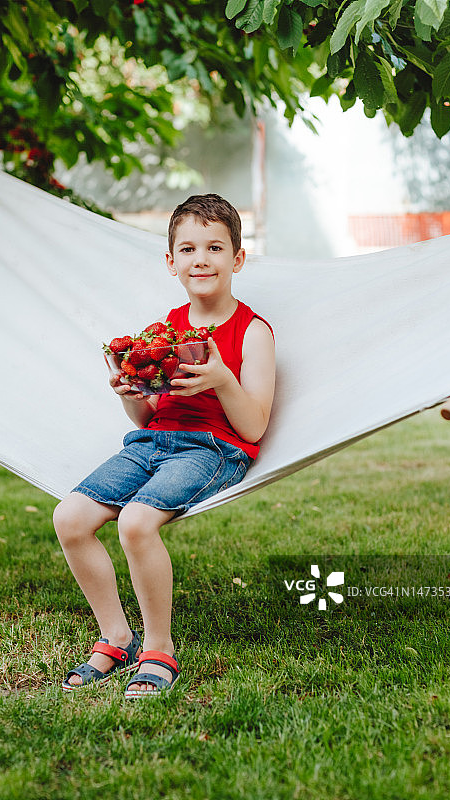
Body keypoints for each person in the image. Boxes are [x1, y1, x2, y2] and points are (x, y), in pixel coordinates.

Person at [53, 193, 275, 697]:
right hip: (151, 441)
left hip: (211, 448)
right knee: (68, 518)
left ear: (237, 259)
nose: (202, 259)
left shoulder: (253, 331)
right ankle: (116, 636)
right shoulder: (167, 328)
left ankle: (159, 650)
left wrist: (221, 378)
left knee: (135, 523)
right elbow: (149, 413)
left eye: (215, 248)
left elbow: (254, 426)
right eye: (189, 249)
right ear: (171, 261)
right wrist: (131, 393)